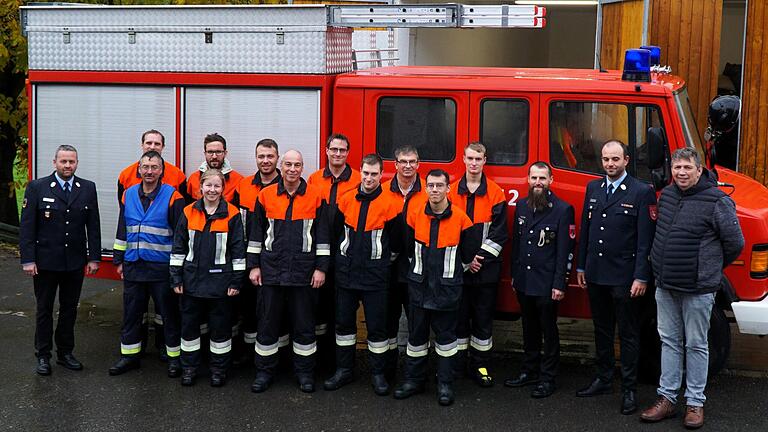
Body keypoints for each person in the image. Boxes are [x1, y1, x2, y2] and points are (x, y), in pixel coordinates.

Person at [640, 148, 744, 429]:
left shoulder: (718, 201)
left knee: (696, 345)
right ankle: (667, 398)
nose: (681, 172)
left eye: (687, 167)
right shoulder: (669, 195)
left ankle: (695, 402)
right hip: (666, 285)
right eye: (677, 168)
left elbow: (735, 243)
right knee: (669, 342)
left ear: (699, 171)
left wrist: (708, 267)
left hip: (698, 288)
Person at [575, 140, 657, 415]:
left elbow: (645, 240)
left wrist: (641, 277)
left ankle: (629, 390)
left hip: (625, 277)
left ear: (626, 160)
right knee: (602, 329)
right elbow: (586, 229)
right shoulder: (593, 188)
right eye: (606, 159)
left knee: (629, 334)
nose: (609, 164)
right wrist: (581, 267)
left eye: (615, 159)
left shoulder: (641, 191)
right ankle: (603, 378)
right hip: (597, 274)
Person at [247, 150, 330, 393]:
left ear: (302, 168)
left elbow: (322, 238)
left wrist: (321, 269)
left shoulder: (316, 196)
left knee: (304, 326)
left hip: (304, 274)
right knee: (268, 324)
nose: (292, 169)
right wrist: (253, 266)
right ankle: (264, 372)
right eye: (288, 164)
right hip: (271, 271)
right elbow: (256, 234)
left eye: (297, 165)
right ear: (281, 167)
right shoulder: (265, 195)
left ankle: (304, 373)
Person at [393, 169, 473, 407]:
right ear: (425, 188)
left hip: (447, 291)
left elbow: (467, 257)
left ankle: (445, 384)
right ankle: (413, 381)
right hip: (419, 289)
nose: (435, 190)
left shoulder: (461, 220)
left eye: (440, 185)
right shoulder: (414, 215)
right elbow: (408, 249)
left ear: (449, 188)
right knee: (416, 339)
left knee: (447, 341)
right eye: (431, 185)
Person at [322, 154, 401, 396]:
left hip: (375, 277)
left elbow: (397, 243)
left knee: (377, 329)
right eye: (365, 173)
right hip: (346, 275)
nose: (369, 178)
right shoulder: (346, 200)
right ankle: (344, 370)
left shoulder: (391, 203)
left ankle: (378, 374)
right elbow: (336, 235)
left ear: (381, 175)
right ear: (360, 171)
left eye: (374, 174)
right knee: (344, 325)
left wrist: (380, 264)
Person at [20, 145, 101, 376]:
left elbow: (92, 226)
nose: (68, 166)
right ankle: (43, 355)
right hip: (45, 262)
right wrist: (28, 259)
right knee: (44, 309)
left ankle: (65, 353)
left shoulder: (86, 188)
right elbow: (27, 226)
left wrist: (94, 257)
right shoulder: (38, 187)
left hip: (74, 262)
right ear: (54, 161)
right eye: (63, 161)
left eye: (72, 162)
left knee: (69, 309)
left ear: (77, 163)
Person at [109, 151, 185, 378]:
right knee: (131, 314)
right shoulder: (129, 195)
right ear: (139, 170)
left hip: (162, 268)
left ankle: (174, 359)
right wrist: (118, 259)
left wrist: (177, 269)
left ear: (162, 170)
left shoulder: (174, 197)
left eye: (154, 167)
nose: (149, 171)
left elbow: (180, 237)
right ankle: (129, 356)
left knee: (169, 315)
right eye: (145, 167)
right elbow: (123, 229)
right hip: (134, 266)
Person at [170, 169, 246, 387]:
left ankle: (218, 370)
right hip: (191, 281)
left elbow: (238, 251)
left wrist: (235, 281)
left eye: (217, 186)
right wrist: (176, 278)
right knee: (189, 329)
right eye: (208, 186)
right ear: (200, 187)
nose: (212, 190)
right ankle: (189, 369)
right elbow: (178, 248)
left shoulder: (232, 214)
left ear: (223, 189)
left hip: (220, 284)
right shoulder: (187, 212)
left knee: (220, 329)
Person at [506, 161, 575, 399]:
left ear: (551, 181)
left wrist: (560, 284)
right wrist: (515, 275)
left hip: (547, 284)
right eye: (534, 178)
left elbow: (565, 250)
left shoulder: (563, 210)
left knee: (549, 331)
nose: (538, 183)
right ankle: (529, 371)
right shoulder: (523, 207)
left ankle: (548, 378)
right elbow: (517, 244)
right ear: (527, 179)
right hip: (525, 280)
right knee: (528, 328)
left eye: (542, 178)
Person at [448, 142, 508, 387]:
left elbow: (499, 234)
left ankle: (480, 366)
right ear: (463, 159)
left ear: (485, 161)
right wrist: (464, 262)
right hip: (458, 271)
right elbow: (446, 230)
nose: (474, 163)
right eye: (470, 158)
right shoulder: (451, 192)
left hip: (485, 272)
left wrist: (477, 260)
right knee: (458, 321)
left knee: (483, 321)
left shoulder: (496, 193)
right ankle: (458, 367)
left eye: (478, 159)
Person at [308, 133, 361, 365]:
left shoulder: (359, 180)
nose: (338, 154)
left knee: (339, 308)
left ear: (348, 153)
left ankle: (335, 361)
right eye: (334, 149)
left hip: (345, 255)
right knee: (317, 306)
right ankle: (318, 358)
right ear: (326, 151)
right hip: (318, 254)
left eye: (342, 150)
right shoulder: (314, 179)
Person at [231, 138, 282, 365]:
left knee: (275, 310)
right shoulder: (243, 186)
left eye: (270, 156)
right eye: (261, 156)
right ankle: (247, 355)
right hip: (248, 257)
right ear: (256, 158)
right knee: (248, 307)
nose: (265, 161)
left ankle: (277, 356)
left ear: (277, 158)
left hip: (275, 259)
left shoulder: (286, 185)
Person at [382, 145, 426, 375]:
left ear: (418, 165)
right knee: (387, 323)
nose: (408, 166)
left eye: (412, 161)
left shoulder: (429, 193)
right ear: (395, 165)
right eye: (403, 161)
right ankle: (387, 371)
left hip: (416, 272)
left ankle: (414, 374)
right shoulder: (381, 192)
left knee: (417, 324)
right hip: (388, 271)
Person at [186, 133, 244, 203]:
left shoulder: (238, 181)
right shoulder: (193, 179)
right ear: (205, 154)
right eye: (210, 152)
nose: (214, 156)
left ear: (225, 153)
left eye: (218, 152)